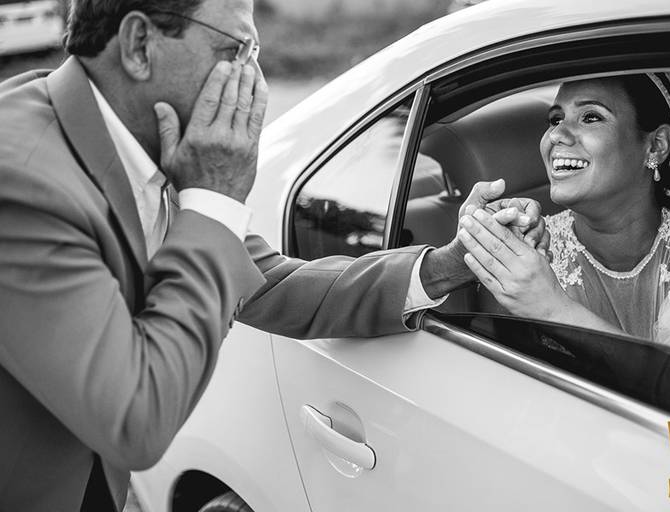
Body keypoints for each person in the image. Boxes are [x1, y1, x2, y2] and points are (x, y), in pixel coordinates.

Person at [0, 1, 548, 510]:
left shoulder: (142, 141)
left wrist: (447, 264)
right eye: (234, 51)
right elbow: (136, 420)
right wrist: (213, 199)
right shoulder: (20, 179)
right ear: (140, 44)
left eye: (255, 56)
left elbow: (270, 285)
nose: (254, 83)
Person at [457, 71, 670, 344]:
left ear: (656, 145)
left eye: (591, 116)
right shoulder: (526, 252)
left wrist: (551, 308)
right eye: (554, 119)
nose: (556, 135)